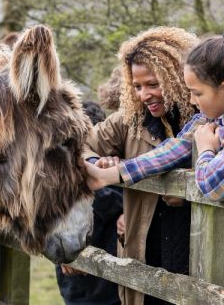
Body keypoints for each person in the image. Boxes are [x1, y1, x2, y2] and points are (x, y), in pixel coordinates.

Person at [85, 24, 224, 304]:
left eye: (197, 93)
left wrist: (206, 150)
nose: (192, 100)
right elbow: (173, 150)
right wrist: (109, 175)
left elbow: (213, 185)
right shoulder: (220, 116)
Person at [83, 27, 198, 305]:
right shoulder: (128, 121)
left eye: (153, 84)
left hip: (193, 256)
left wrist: (187, 195)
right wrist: (96, 162)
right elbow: (80, 145)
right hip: (143, 259)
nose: (145, 95)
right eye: (137, 86)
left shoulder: (206, 118)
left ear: (176, 77)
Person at [56, 100, 122, 305]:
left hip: (111, 283)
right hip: (76, 284)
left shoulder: (110, 168)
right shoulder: (58, 177)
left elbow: (118, 205)